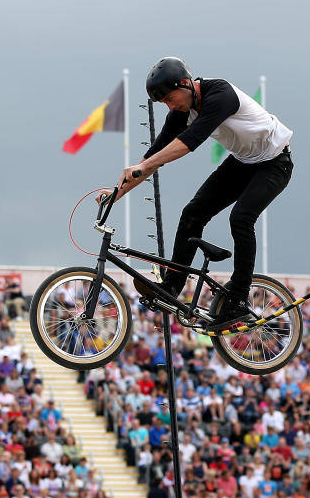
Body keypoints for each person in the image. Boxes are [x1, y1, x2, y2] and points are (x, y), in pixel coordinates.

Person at [102, 56, 294, 331]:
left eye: (170, 98)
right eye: (165, 103)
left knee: (241, 218)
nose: (171, 106)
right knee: (192, 214)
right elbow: (151, 159)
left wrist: (144, 165)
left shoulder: (221, 94)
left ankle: (238, 300)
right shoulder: (180, 110)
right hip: (243, 162)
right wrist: (115, 194)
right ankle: (171, 286)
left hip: (275, 163)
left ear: (186, 84)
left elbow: (189, 143)